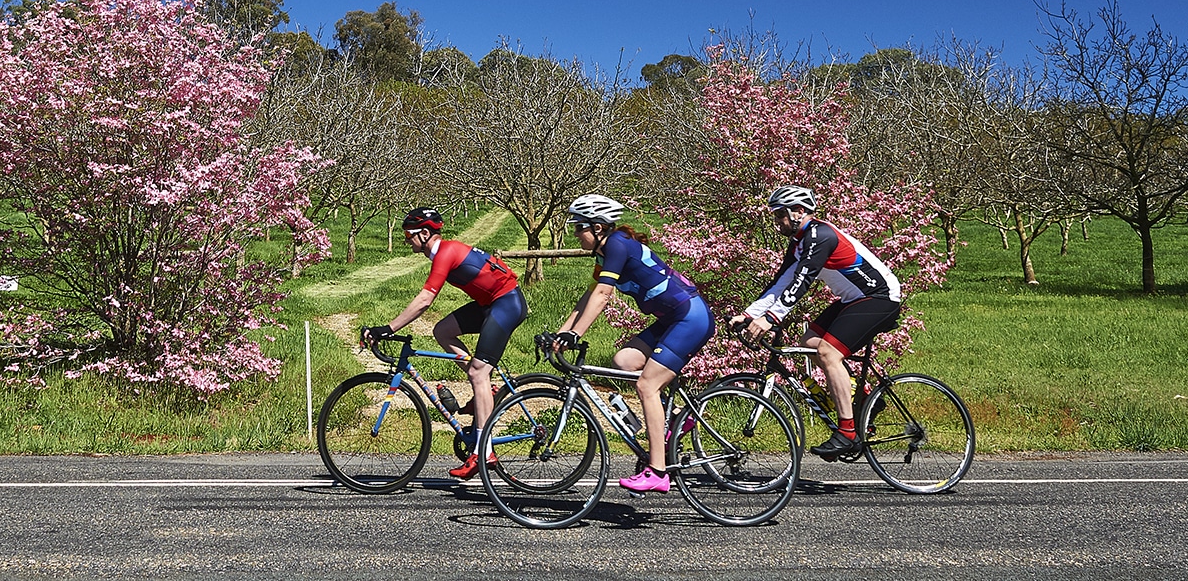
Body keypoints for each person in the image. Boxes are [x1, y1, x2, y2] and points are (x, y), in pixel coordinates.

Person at [551, 194, 715, 494]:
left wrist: (577, 334)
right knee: (624, 361)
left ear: (598, 227)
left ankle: (658, 472)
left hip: (690, 317)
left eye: (579, 227)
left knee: (646, 386)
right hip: (672, 318)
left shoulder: (617, 244)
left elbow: (603, 296)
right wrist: (562, 333)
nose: (575, 233)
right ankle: (678, 418)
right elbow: (589, 296)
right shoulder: (604, 253)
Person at [731, 184, 904, 460]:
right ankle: (864, 398)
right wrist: (750, 314)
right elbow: (781, 282)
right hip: (855, 298)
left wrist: (772, 318)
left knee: (828, 352)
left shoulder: (820, 236)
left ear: (799, 211)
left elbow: (802, 281)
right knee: (809, 342)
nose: (776, 221)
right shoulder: (800, 242)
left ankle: (847, 432)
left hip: (880, 297)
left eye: (780, 214)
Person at [361, 206, 528, 480]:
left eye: (409, 235)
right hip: (490, 304)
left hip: (506, 303)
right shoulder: (442, 252)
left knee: (478, 372)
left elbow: (425, 300)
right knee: (443, 331)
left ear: (425, 234)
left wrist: (388, 328)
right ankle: (487, 389)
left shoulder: (445, 253)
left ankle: (484, 452)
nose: (406, 240)